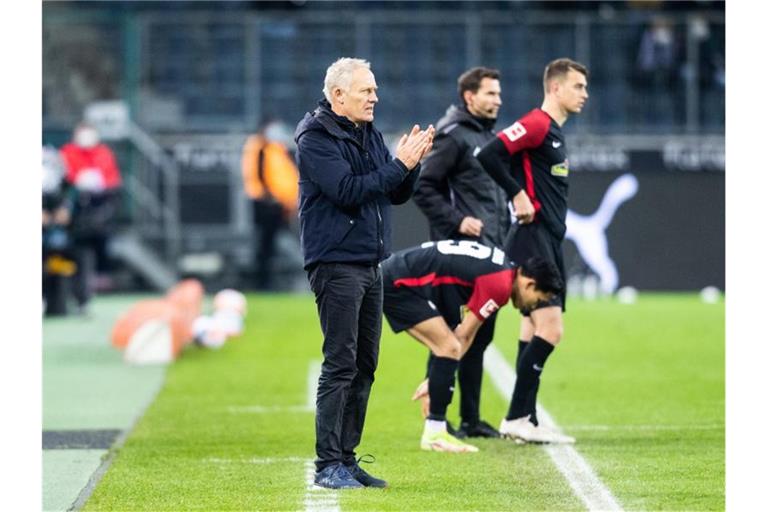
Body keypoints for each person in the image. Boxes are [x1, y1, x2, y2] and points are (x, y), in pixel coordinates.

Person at [295, 57, 434, 489]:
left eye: (374, 90)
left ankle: (347, 458)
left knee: (365, 365)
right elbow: (348, 191)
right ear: (339, 95)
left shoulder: (365, 132)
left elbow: (391, 191)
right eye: (366, 90)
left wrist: (412, 164)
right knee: (341, 363)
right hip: (336, 262)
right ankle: (327, 464)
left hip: (369, 262)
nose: (374, 97)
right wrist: (398, 165)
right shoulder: (315, 137)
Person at [476, 58, 588, 443]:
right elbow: (489, 153)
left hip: (548, 240)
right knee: (552, 329)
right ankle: (519, 417)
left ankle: (524, 418)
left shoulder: (555, 132)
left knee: (532, 326)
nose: (584, 94)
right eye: (578, 87)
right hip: (533, 238)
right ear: (555, 88)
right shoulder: (538, 124)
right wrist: (517, 194)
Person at [381, 240, 564, 452]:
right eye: (539, 299)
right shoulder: (501, 285)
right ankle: (435, 433)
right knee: (449, 346)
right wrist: (436, 380)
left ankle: (436, 430)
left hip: (395, 275)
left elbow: (466, 336)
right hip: (398, 283)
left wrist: (436, 378)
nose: (534, 306)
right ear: (529, 284)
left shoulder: (502, 268)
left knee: (448, 347)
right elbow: (464, 336)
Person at [412, 66, 509, 439]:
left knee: (479, 335)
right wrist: (457, 220)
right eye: (490, 94)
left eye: (498, 94)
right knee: (448, 334)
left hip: (489, 250)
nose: (497, 100)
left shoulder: (487, 135)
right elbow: (423, 187)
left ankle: (470, 418)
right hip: (457, 253)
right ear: (470, 97)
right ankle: (437, 416)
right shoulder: (453, 136)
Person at [59, 122, 123, 312]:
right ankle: (58, 295)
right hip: (68, 219)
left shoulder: (104, 153)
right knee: (59, 259)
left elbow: (113, 181)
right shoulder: (67, 153)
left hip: (92, 220)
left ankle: (82, 298)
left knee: (85, 259)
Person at [241, 119, 299, 290]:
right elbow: (259, 175)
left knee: (272, 244)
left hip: (279, 205)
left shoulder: (274, 148)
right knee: (265, 244)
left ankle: (268, 280)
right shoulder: (259, 147)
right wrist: (270, 197)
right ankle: (263, 282)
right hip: (267, 205)